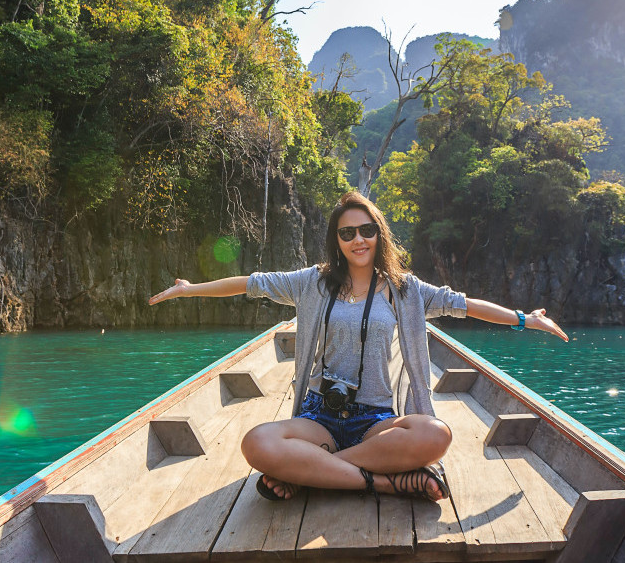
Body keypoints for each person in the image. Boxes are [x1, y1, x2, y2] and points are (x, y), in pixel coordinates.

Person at [148, 191, 568, 502]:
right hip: (320, 417)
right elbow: (249, 283)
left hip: (375, 420)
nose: (358, 239)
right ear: (337, 239)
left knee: (434, 434)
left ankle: (312, 473)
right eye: (347, 233)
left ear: (378, 233)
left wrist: (523, 319)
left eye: (366, 230)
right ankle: (382, 481)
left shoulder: (407, 291)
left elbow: (464, 305)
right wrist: (189, 290)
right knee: (256, 443)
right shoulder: (312, 282)